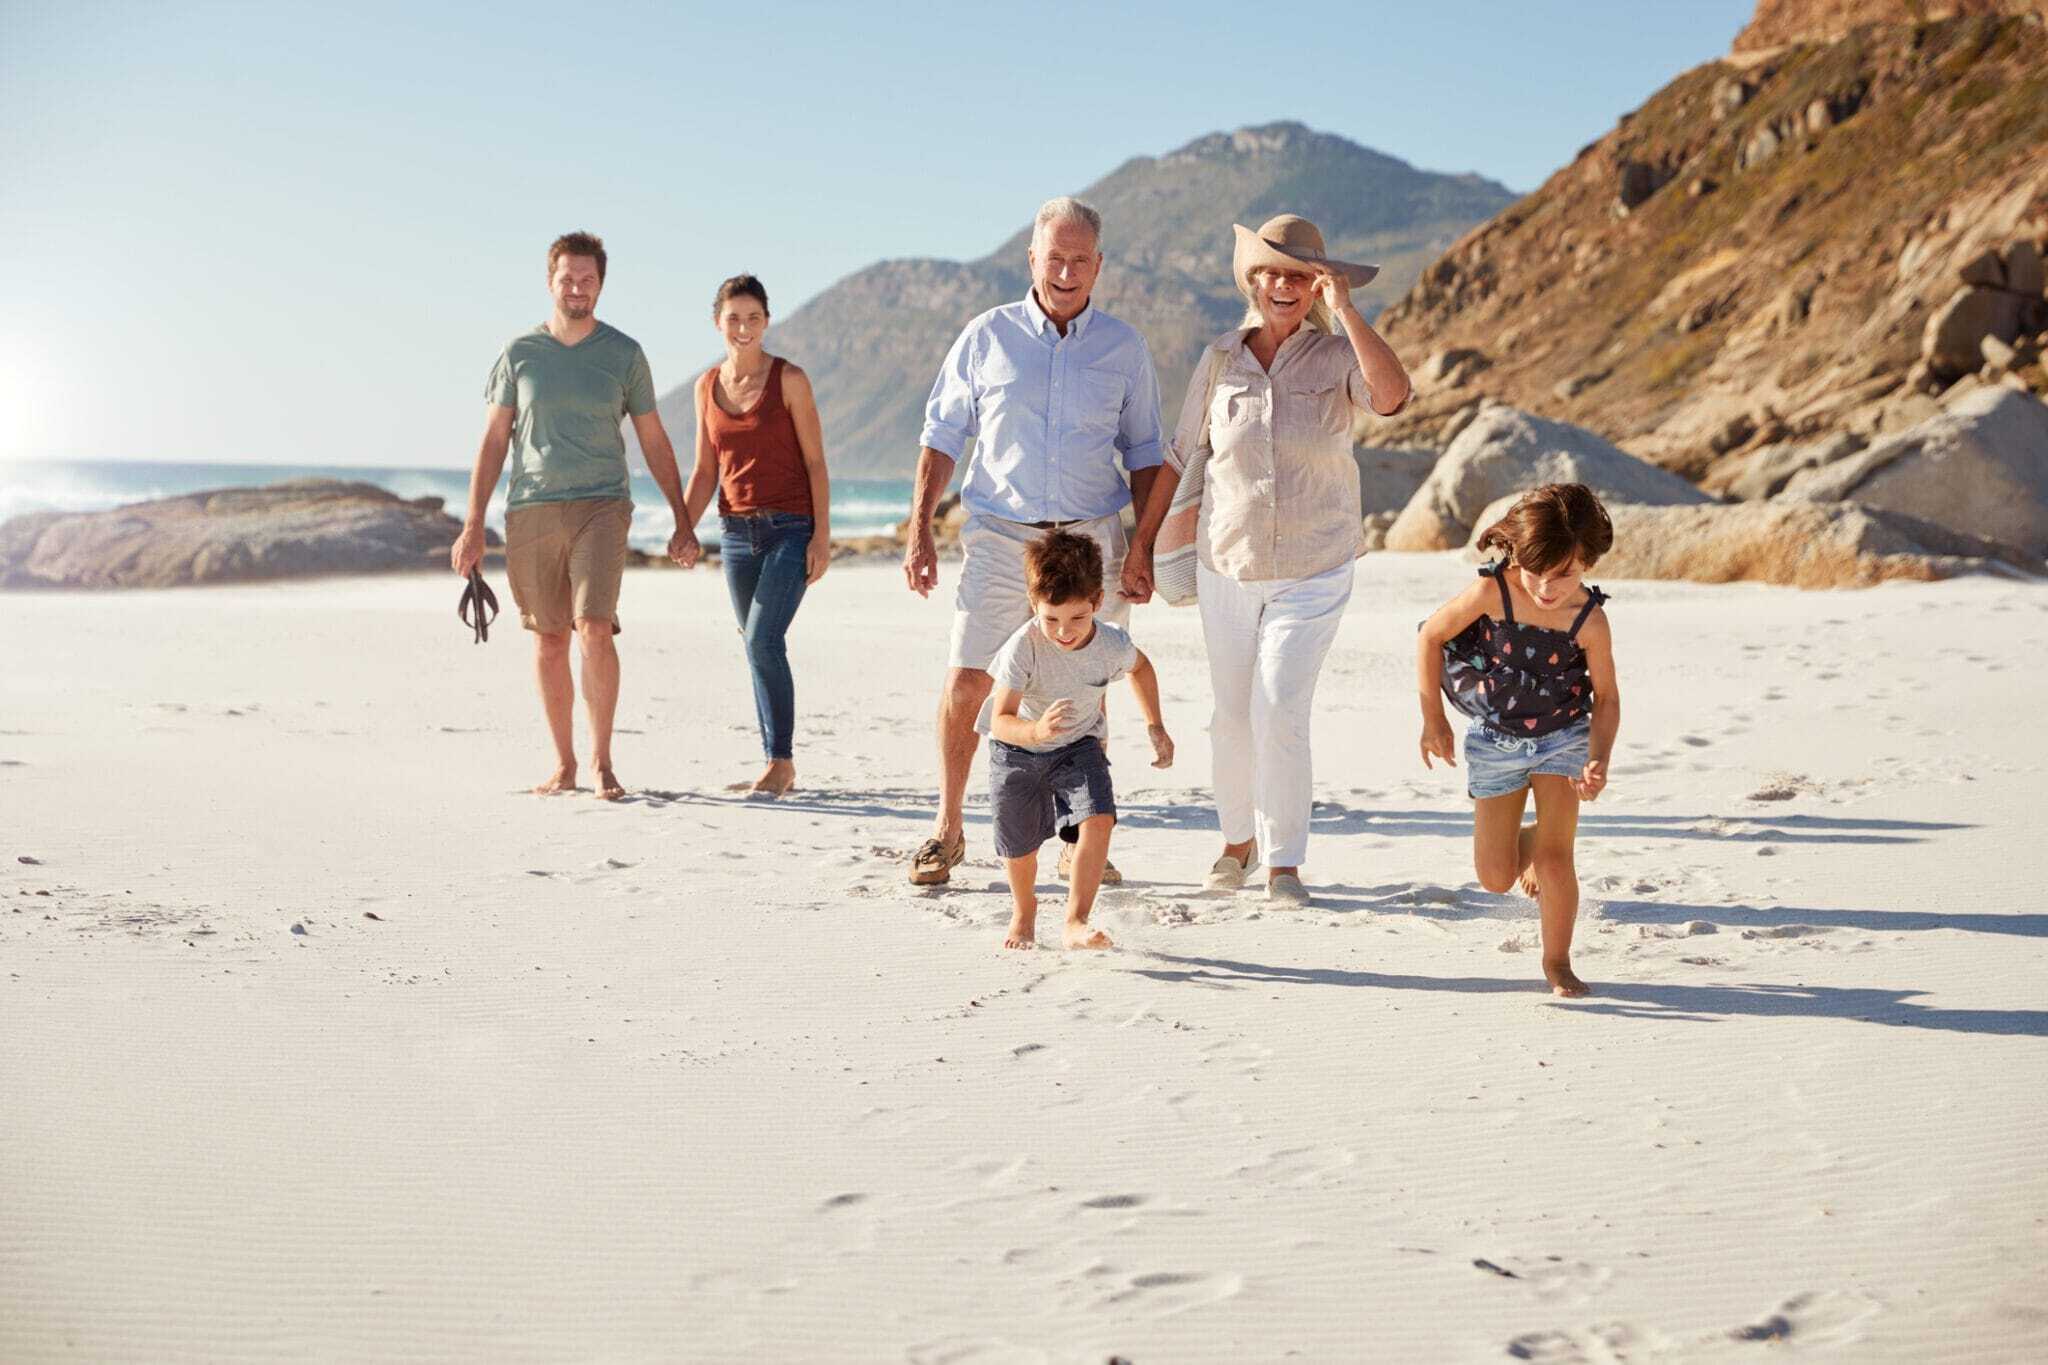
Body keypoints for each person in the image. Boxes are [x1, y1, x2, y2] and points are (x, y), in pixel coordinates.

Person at [1122, 215, 1413, 906]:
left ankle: (1284, 860)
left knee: (1280, 704)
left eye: (1297, 275)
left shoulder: (1340, 354)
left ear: (1317, 284)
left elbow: (1393, 396)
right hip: (1229, 560)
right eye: (1269, 273)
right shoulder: (1221, 358)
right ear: (1252, 280)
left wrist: (1348, 313)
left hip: (1315, 565)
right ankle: (1235, 844)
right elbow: (1179, 453)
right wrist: (1141, 544)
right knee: (1231, 715)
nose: (1281, 285)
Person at [903, 196, 1166, 887]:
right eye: (1056, 257)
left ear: (1099, 265)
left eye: (1082, 260)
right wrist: (919, 530)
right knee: (968, 679)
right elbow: (941, 438)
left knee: (1089, 686)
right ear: (1032, 259)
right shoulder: (985, 336)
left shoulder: (1124, 348)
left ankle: (1080, 837)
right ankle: (948, 828)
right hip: (1000, 535)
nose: (1068, 271)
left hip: (1091, 536)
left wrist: (1140, 551)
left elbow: (1145, 454)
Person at [452, 231, 690, 800]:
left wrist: (682, 517)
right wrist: (471, 525)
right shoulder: (519, 354)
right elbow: (493, 442)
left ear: (601, 285)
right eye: (567, 278)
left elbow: (654, 440)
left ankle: (604, 763)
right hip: (531, 508)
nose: (577, 288)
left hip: (603, 505)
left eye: (587, 279)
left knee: (595, 627)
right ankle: (564, 764)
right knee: (549, 639)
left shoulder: (624, 355)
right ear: (550, 281)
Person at [1415, 483, 1621, 998]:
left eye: (1565, 575)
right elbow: (1430, 636)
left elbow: (1608, 697)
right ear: (1517, 553)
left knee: (1556, 861)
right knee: (1494, 877)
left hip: (1564, 739)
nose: (1548, 588)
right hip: (1495, 741)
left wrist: (1599, 758)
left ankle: (1557, 960)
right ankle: (1525, 841)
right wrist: (1433, 720)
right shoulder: (1494, 592)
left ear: (1588, 564)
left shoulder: (1589, 621)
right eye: (1538, 572)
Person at [672, 275, 831, 797]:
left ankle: (781, 762)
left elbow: (814, 462)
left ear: (767, 321)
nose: (744, 328)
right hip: (735, 534)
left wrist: (821, 537)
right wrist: (682, 526)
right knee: (755, 644)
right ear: (718, 322)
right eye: (734, 318)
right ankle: (773, 759)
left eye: (754, 318)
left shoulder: (790, 380)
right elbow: (703, 470)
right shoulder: (705, 387)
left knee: (764, 639)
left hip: (790, 528)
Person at [980, 532, 1173, 950]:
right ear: (1034, 606)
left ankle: (1075, 920)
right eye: (1051, 619)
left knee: (1099, 819)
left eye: (1076, 619)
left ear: (1097, 603)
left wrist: (1154, 725)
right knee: (1019, 847)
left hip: (1079, 746)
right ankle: (1024, 909)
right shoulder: (1022, 647)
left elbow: (1141, 669)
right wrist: (1035, 731)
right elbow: (1000, 721)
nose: (1063, 632)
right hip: (1016, 752)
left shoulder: (1110, 643)